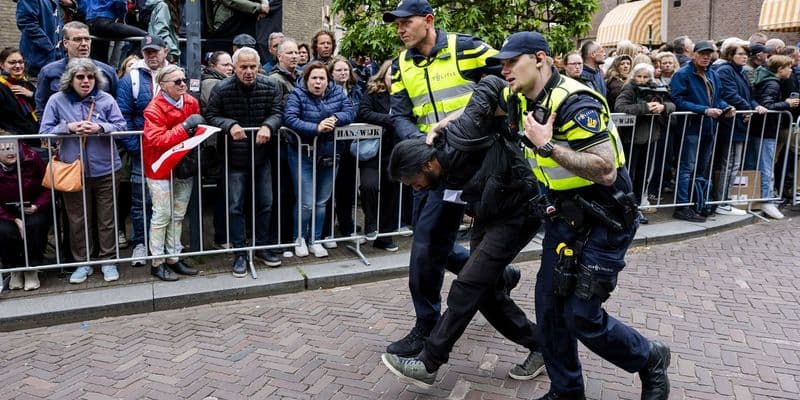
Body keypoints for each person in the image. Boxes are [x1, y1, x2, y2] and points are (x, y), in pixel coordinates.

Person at [491, 31, 671, 400]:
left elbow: (604, 169)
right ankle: (567, 391)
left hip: (605, 219)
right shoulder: (519, 98)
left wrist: (547, 145)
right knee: (550, 310)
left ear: (540, 59)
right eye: (503, 64)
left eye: (512, 62)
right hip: (563, 218)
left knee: (581, 315)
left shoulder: (577, 101)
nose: (505, 70)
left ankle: (649, 358)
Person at [381, 74, 544, 388]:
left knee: (468, 284)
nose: (412, 187)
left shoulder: (462, 136)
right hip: (490, 214)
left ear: (426, 165)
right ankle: (542, 345)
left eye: (411, 180)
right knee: (486, 296)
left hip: (518, 211)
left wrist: (448, 119)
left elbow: (492, 83)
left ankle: (429, 362)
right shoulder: (438, 172)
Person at [382, 0, 521, 360]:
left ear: (428, 21)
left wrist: (467, 125)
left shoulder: (468, 48)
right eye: (396, 24)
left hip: (471, 166)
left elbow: (507, 86)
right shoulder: (400, 64)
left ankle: (427, 324)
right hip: (429, 167)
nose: (400, 30)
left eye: (406, 22)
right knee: (430, 242)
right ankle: (500, 277)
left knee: (427, 244)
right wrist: (421, 144)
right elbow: (398, 115)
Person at [39, 58, 128, 284]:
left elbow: (122, 128)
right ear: (71, 79)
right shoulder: (56, 100)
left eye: (90, 77)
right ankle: (83, 262)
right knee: (77, 219)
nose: (86, 81)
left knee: (107, 218)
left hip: (106, 168)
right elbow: (44, 132)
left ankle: (108, 261)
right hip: (72, 170)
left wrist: (100, 127)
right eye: (80, 77)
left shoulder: (106, 99)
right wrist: (67, 128)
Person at [205, 47, 285, 276]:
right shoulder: (221, 88)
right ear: (234, 68)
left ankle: (261, 247)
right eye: (243, 67)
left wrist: (269, 125)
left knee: (266, 203)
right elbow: (210, 114)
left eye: (253, 67)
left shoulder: (271, 85)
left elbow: (278, 111)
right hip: (234, 158)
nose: (249, 71)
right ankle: (240, 252)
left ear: (259, 67)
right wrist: (229, 125)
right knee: (235, 206)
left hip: (262, 156)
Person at [282, 61, 354, 258]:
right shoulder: (297, 94)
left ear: (327, 80)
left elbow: (350, 111)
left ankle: (316, 239)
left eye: (322, 78)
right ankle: (299, 238)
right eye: (314, 78)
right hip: (302, 153)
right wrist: (316, 128)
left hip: (330, 154)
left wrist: (335, 119)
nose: (318, 82)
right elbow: (289, 118)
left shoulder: (337, 93)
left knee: (322, 201)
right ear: (306, 79)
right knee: (305, 201)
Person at [142, 65, 203, 281]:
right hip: (159, 166)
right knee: (162, 214)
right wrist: (185, 127)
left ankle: (174, 257)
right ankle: (157, 261)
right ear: (163, 85)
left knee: (178, 213)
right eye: (177, 81)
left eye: (183, 80)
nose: (183, 84)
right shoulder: (153, 109)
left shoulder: (191, 102)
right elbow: (156, 140)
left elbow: (196, 129)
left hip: (183, 164)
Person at [116, 35, 171, 268]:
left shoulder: (175, 76)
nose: (151, 55)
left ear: (165, 51)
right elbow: (123, 116)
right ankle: (141, 243)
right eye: (147, 51)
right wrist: (135, 148)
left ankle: (168, 244)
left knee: (168, 201)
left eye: (155, 51)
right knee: (140, 201)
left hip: (170, 151)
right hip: (143, 152)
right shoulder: (131, 80)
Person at [670, 40, 734, 223]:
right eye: (702, 53)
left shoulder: (713, 74)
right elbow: (677, 100)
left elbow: (717, 99)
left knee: (702, 168)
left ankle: (696, 202)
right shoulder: (682, 74)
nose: (706, 57)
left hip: (709, 127)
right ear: (693, 55)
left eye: (709, 53)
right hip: (691, 127)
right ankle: (682, 206)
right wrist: (703, 110)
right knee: (686, 167)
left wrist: (727, 107)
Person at [614, 62, 675, 220]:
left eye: (646, 76)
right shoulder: (629, 88)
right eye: (639, 76)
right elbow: (620, 108)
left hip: (651, 137)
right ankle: (626, 208)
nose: (642, 79)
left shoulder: (657, 87)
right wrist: (645, 108)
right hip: (631, 139)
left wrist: (663, 107)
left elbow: (672, 104)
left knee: (644, 174)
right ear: (634, 76)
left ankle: (637, 206)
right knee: (629, 175)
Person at [712, 38, 765, 217]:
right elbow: (729, 94)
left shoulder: (740, 71)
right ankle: (722, 202)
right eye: (741, 54)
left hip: (740, 123)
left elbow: (748, 95)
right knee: (731, 163)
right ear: (730, 55)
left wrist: (755, 105)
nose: (745, 57)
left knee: (734, 163)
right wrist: (746, 108)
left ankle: (726, 199)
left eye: (746, 54)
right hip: (731, 124)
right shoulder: (726, 70)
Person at [356, 60, 399, 252]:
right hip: (373, 150)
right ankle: (371, 224)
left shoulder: (405, 95)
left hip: (395, 151)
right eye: (391, 74)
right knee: (369, 185)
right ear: (383, 75)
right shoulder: (373, 92)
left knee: (391, 192)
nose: (394, 78)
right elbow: (363, 113)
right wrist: (391, 120)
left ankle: (385, 236)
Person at [36, 21, 118, 121]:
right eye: (78, 39)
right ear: (65, 43)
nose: (84, 44)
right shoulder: (48, 72)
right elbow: (41, 108)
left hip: (99, 133)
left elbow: (117, 106)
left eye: (87, 39)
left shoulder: (107, 72)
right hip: (62, 133)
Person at [0, 135, 51, 291]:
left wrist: (37, 205)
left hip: (33, 206)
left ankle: (32, 270)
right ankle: (15, 269)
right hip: (5, 212)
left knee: (35, 225)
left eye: (12, 147)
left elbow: (48, 185)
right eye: (4, 149)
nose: (10, 152)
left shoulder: (32, 157)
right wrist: (13, 219)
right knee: (4, 231)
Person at [750, 55, 799, 219]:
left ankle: (766, 198)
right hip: (767, 130)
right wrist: (787, 104)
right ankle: (766, 200)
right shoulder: (772, 83)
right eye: (788, 67)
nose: (791, 70)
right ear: (780, 69)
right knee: (767, 165)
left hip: (765, 130)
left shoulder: (765, 80)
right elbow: (767, 105)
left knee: (767, 164)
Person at [323, 55, 364, 246]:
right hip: (331, 145)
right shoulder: (326, 91)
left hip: (351, 145)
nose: (343, 72)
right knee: (329, 188)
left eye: (346, 69)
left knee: (347, 188)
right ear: (331, 73)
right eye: (338, 70)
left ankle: (347, 225)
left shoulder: (356, 90)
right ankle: (327, 229)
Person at [83, 0, 148, 64]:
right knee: (145, 36)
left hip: (90, 24)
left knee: (99, 62)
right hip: (105, 22)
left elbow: (81, 6)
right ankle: (131, 64)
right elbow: (120, 3)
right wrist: (120, 16)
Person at [15, 0, 67, 77]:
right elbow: (27, 24)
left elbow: (58, 27)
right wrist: (49, 48)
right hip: (37, 63)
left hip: (55, 63)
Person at [0, 48, 40, 144]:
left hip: (37, 140)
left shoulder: (27, 85)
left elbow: (43, 104)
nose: (17, 66)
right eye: (12, 62)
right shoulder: (1, 88)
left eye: (20, 62)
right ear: (1, 65)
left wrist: (31, 95)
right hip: (15, 144)